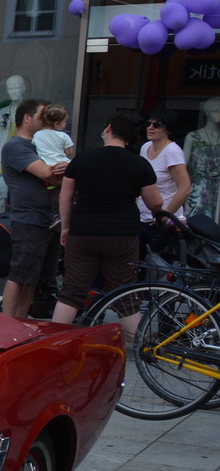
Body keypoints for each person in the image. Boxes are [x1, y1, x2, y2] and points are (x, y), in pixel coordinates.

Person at [53, 109, 159, 326]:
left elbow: (65, 196)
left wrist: (66, 227)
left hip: (83, 232)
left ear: (109, 128)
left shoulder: (82, 160)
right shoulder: (139, 164)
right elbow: (154, 202)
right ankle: (138, 347)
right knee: (124, 292)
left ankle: (51, 342)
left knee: (72, 290)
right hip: (123, 235)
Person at [0, 98, 65, 320]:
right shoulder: (15, 146)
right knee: (19, 274)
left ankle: (21, 321)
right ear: (27, 118)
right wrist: (66, 169)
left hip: (49, 219)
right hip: (29, 219)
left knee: (32, 279)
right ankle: (8, 323)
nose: (48, 120)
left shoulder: (41, 142)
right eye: (42, 115)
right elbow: (47, 173)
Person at [138, 109, 190, 240]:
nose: (150, 128)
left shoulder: (172, 151)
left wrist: (166, 215)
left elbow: (185, 188)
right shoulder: (145, 147)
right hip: (143, 218)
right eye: (148, 123)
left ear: (169, 130)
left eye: (157, 125)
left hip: (163, 223)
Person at [183, 96, 220, 221]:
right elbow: (182, 168)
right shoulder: (193, 137)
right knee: (196, 225)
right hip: (197, 190)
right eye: (216, 110)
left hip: (218, 193)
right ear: (207, 113)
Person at [32, 104, 75, 172]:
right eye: (64, 122)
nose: (65, 124)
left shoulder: (37, 135)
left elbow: (35, 148)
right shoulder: (64, 136)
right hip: (62, 165)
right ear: (56, 124)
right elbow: (69, 153)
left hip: (44, 165)